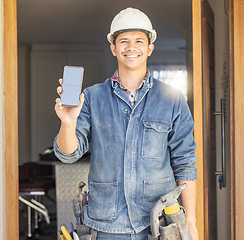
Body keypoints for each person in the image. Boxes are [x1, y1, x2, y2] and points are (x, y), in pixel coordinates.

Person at [54, 7, 198, 240]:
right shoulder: (92, 97)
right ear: (113, 48)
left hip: (160, 225)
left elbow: (186, 162)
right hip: (105, 227)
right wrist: (68, 123)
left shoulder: (172, 99)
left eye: (139, 40)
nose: (131, 47)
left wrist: (189, 221)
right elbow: (68, 154)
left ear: (150, 47)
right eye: (124, 41)